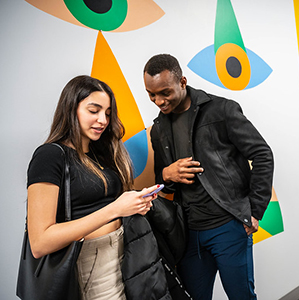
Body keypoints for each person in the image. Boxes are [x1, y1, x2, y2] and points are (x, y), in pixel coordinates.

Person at [26, 75, 172, 300]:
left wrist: (134, 204)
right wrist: (115, 210)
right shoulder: (50, 156)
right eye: (93, 110)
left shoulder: (99, 153)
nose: (103, 120)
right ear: (70, 109)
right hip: (91, 263)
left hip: (125, 254)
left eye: (107, 113)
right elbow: (40, 243)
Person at [143, 54, 274, 300]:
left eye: (165, 92)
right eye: (151, 95)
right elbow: (164, 181)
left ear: (182, 81)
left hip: (229, 227)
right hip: (189, 234)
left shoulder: (221, 109)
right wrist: (165, 173)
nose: (158, 101)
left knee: (242, 296)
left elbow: (262, 154)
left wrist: (254, 211)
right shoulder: (159, 128)